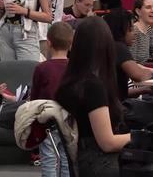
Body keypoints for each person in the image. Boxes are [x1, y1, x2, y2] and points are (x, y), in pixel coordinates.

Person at [55, 17, 131, 177]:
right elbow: (107, 143)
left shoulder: (68, 84)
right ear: (107, 48)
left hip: (83, 160)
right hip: (99, 162)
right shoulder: (93, 87)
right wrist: (143, 137)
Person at [30, 22, 74, 177]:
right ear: (71, 43)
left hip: (48, 121)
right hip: (70, 120)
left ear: (48, 42)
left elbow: (35, 98)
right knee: (66, 159)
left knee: (48, 159)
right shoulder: (75, 67)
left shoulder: (42, 68)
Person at [103, 9, 153, 100]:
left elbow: (119, 93)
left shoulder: (109, 47)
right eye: (131, 29)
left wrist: (145, 89)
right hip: (119, 109)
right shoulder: (119, 48)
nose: (135, 33)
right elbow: (140, 76)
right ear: (120, 31)